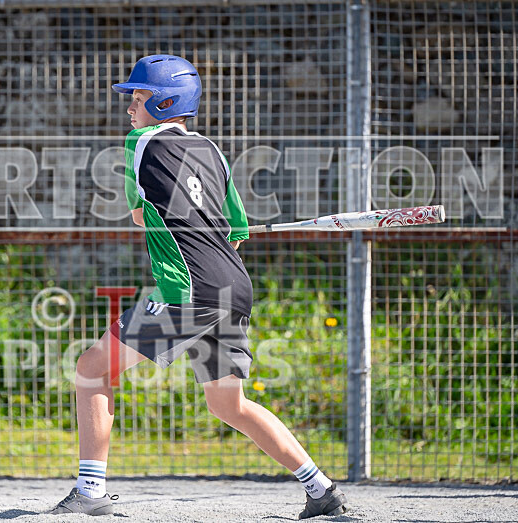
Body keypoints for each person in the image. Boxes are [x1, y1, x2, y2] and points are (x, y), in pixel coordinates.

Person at [49, 55, 349, 519]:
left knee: (92, 369)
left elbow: (138, 214)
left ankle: (90, 491)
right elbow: (237, 231)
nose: (130, 107)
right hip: (233, 286)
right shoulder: (214, 150)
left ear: (166, 103)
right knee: (229, 404)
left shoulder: (139, 141)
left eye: (139, 98)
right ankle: (320, 488)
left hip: (187, 289)